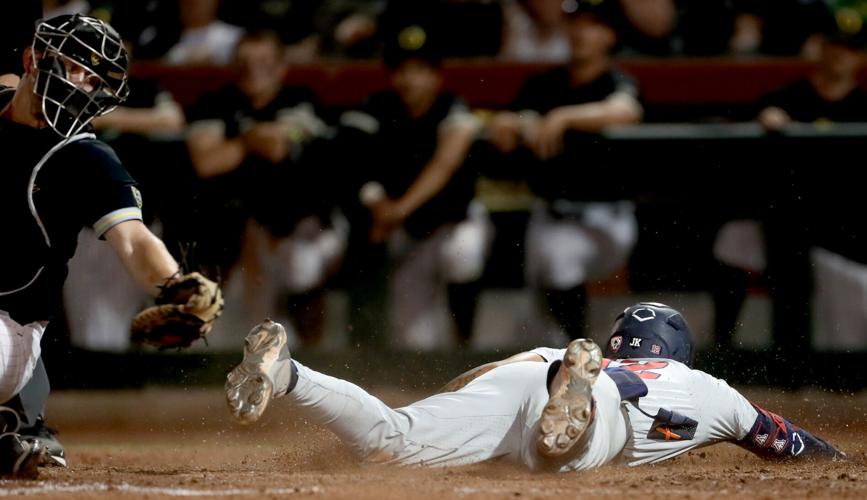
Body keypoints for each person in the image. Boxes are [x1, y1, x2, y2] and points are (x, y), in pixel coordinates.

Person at [225, 302, 843, 470]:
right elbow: (782, 440)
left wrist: (451, 404)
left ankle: (289, 373)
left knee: (395, 435)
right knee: (568, 450)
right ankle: (570, 420)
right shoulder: (711, 389)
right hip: (606, 410)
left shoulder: (565, 350)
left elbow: (483, 374)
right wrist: (834, 458)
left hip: (537, 374)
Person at [0, 14, 217, 478]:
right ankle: (12, 428)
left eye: (93, 79)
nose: (82, 84)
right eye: (74, 67)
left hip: (8, 332)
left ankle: (17, 414)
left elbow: (134, 240)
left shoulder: (83, 155)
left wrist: (174, 285)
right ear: (31, 59)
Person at [484, 0, 641, 340]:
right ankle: (567, 362)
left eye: (592, 25)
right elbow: (510, 120)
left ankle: (578, 352)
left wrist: (563, 116)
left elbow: (626, 109)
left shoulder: (616, 81)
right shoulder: (545, 84)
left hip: (605, 217)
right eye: (576, 23)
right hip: (550, 213)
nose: (581, 33)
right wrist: (512, 122)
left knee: (561, 260)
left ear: (610, 35)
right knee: (539, 315)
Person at [336, 24, 489, 349]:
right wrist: (379, 205)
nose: (409, 79)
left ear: (436, 75)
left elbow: (444, 164)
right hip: (409, 234)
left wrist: (396, 210)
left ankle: (466, 341)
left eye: (420, 70)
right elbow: (354, 162)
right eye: (401, 70)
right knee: (413, 342)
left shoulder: (453, 107)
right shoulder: (375, 109)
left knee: (463, 254)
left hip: (453, 224)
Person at [185, 29, 340, 346]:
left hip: (303, 224)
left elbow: (277, 148)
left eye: (264, 62)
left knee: (301, 267)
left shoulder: (302, 99)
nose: (253, 70)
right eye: (244, 62)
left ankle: (317, 356)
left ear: (281, 67)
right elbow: (207, 162)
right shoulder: (216, 103)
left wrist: (238, 142)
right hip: (240, 229)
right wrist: (251, 139)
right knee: (248, 324)